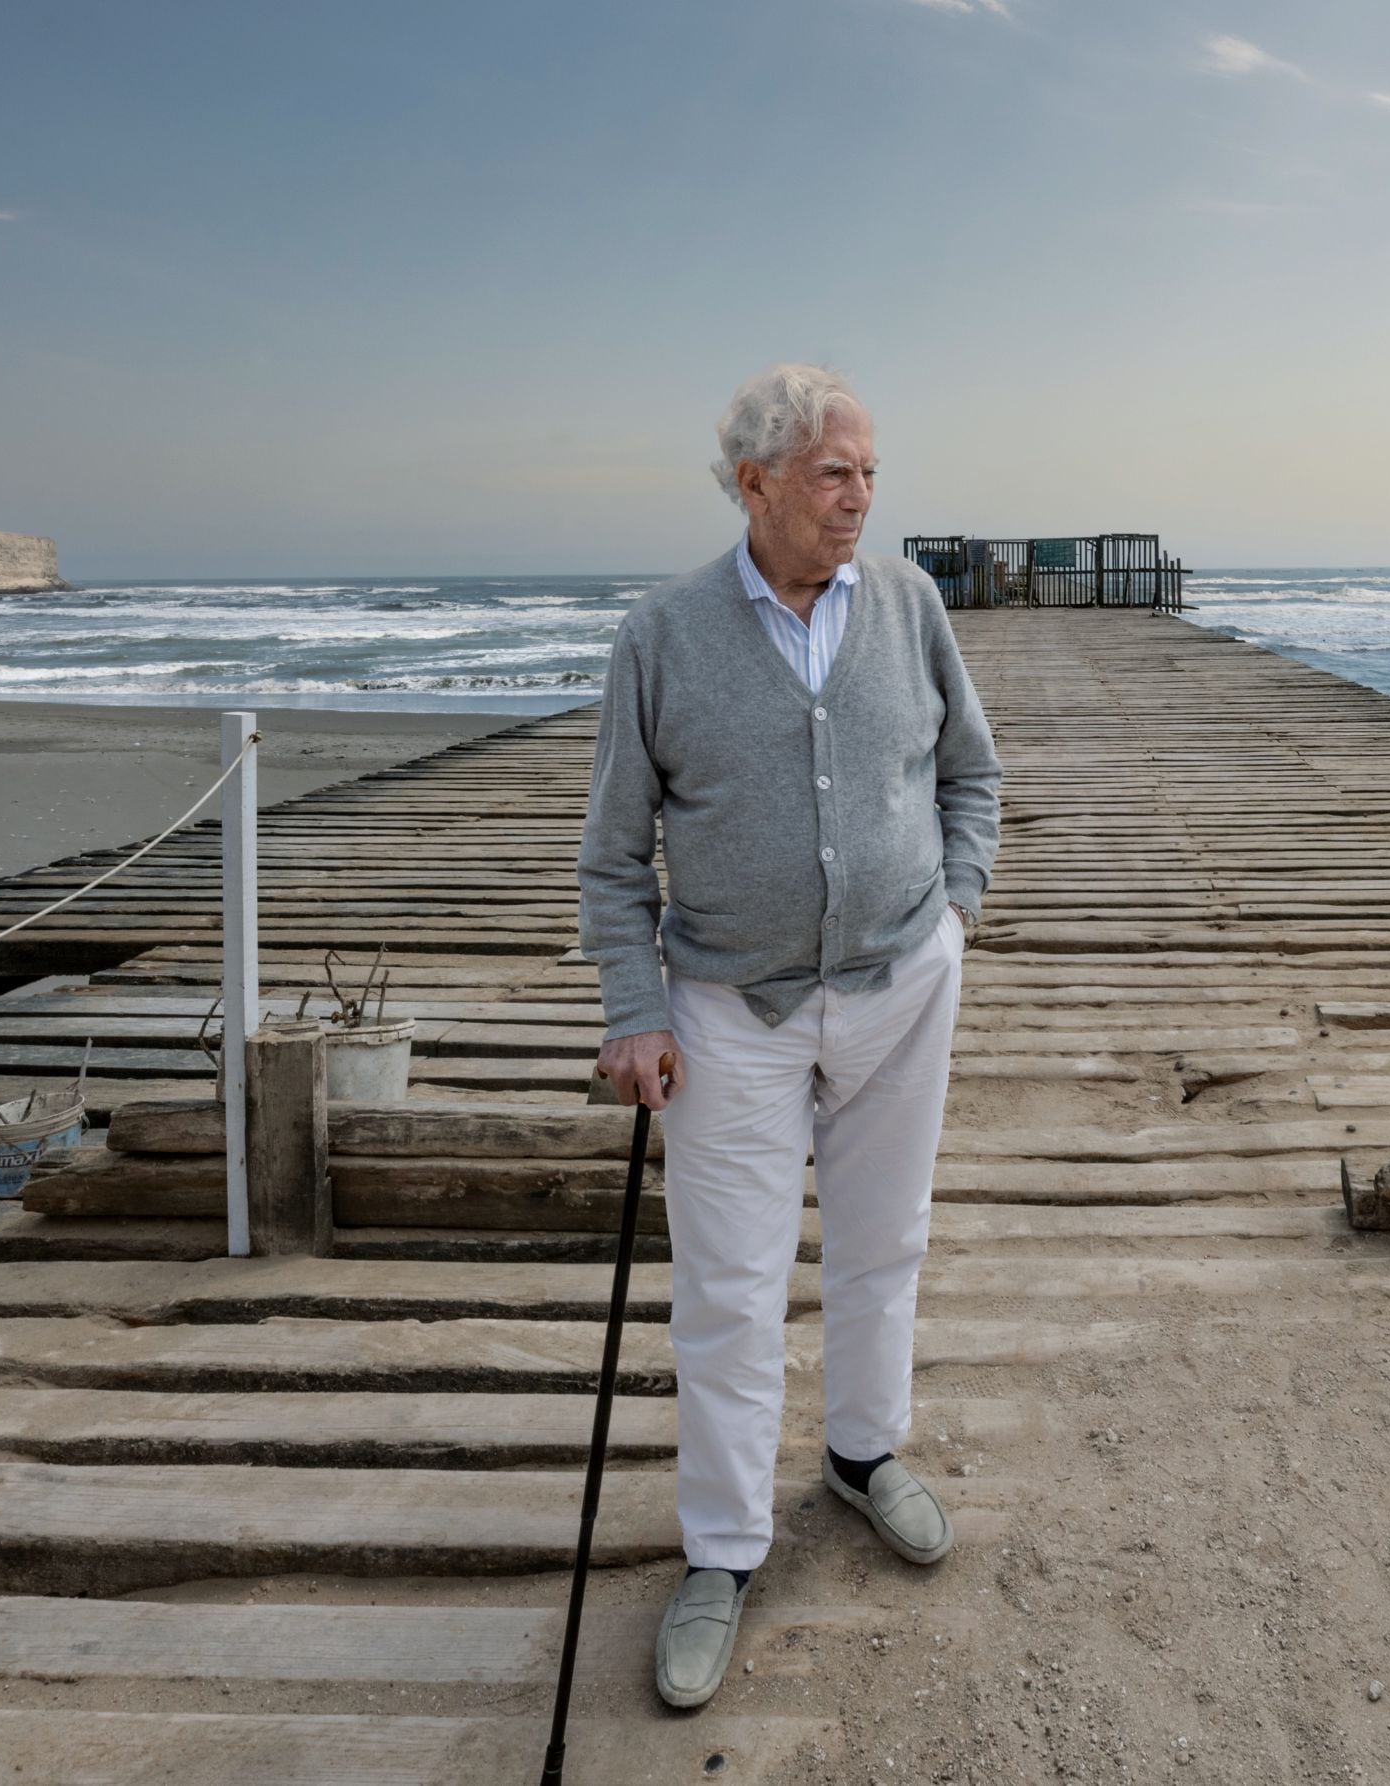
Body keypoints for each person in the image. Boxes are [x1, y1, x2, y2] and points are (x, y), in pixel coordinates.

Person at [577, 362, 1002, 1710]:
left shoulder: (912, 604)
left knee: (888, 1240)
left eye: (870, 472)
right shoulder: (662, 634)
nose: (860, 496)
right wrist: (636, 1008)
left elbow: (972, 771)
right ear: (755, 484)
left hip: (900, 983)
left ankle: (866, 1457)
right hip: (728, 1008)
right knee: (729, 1289)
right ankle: (720, 1550)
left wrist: (958, 913)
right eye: (834, 473)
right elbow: (608, 858)